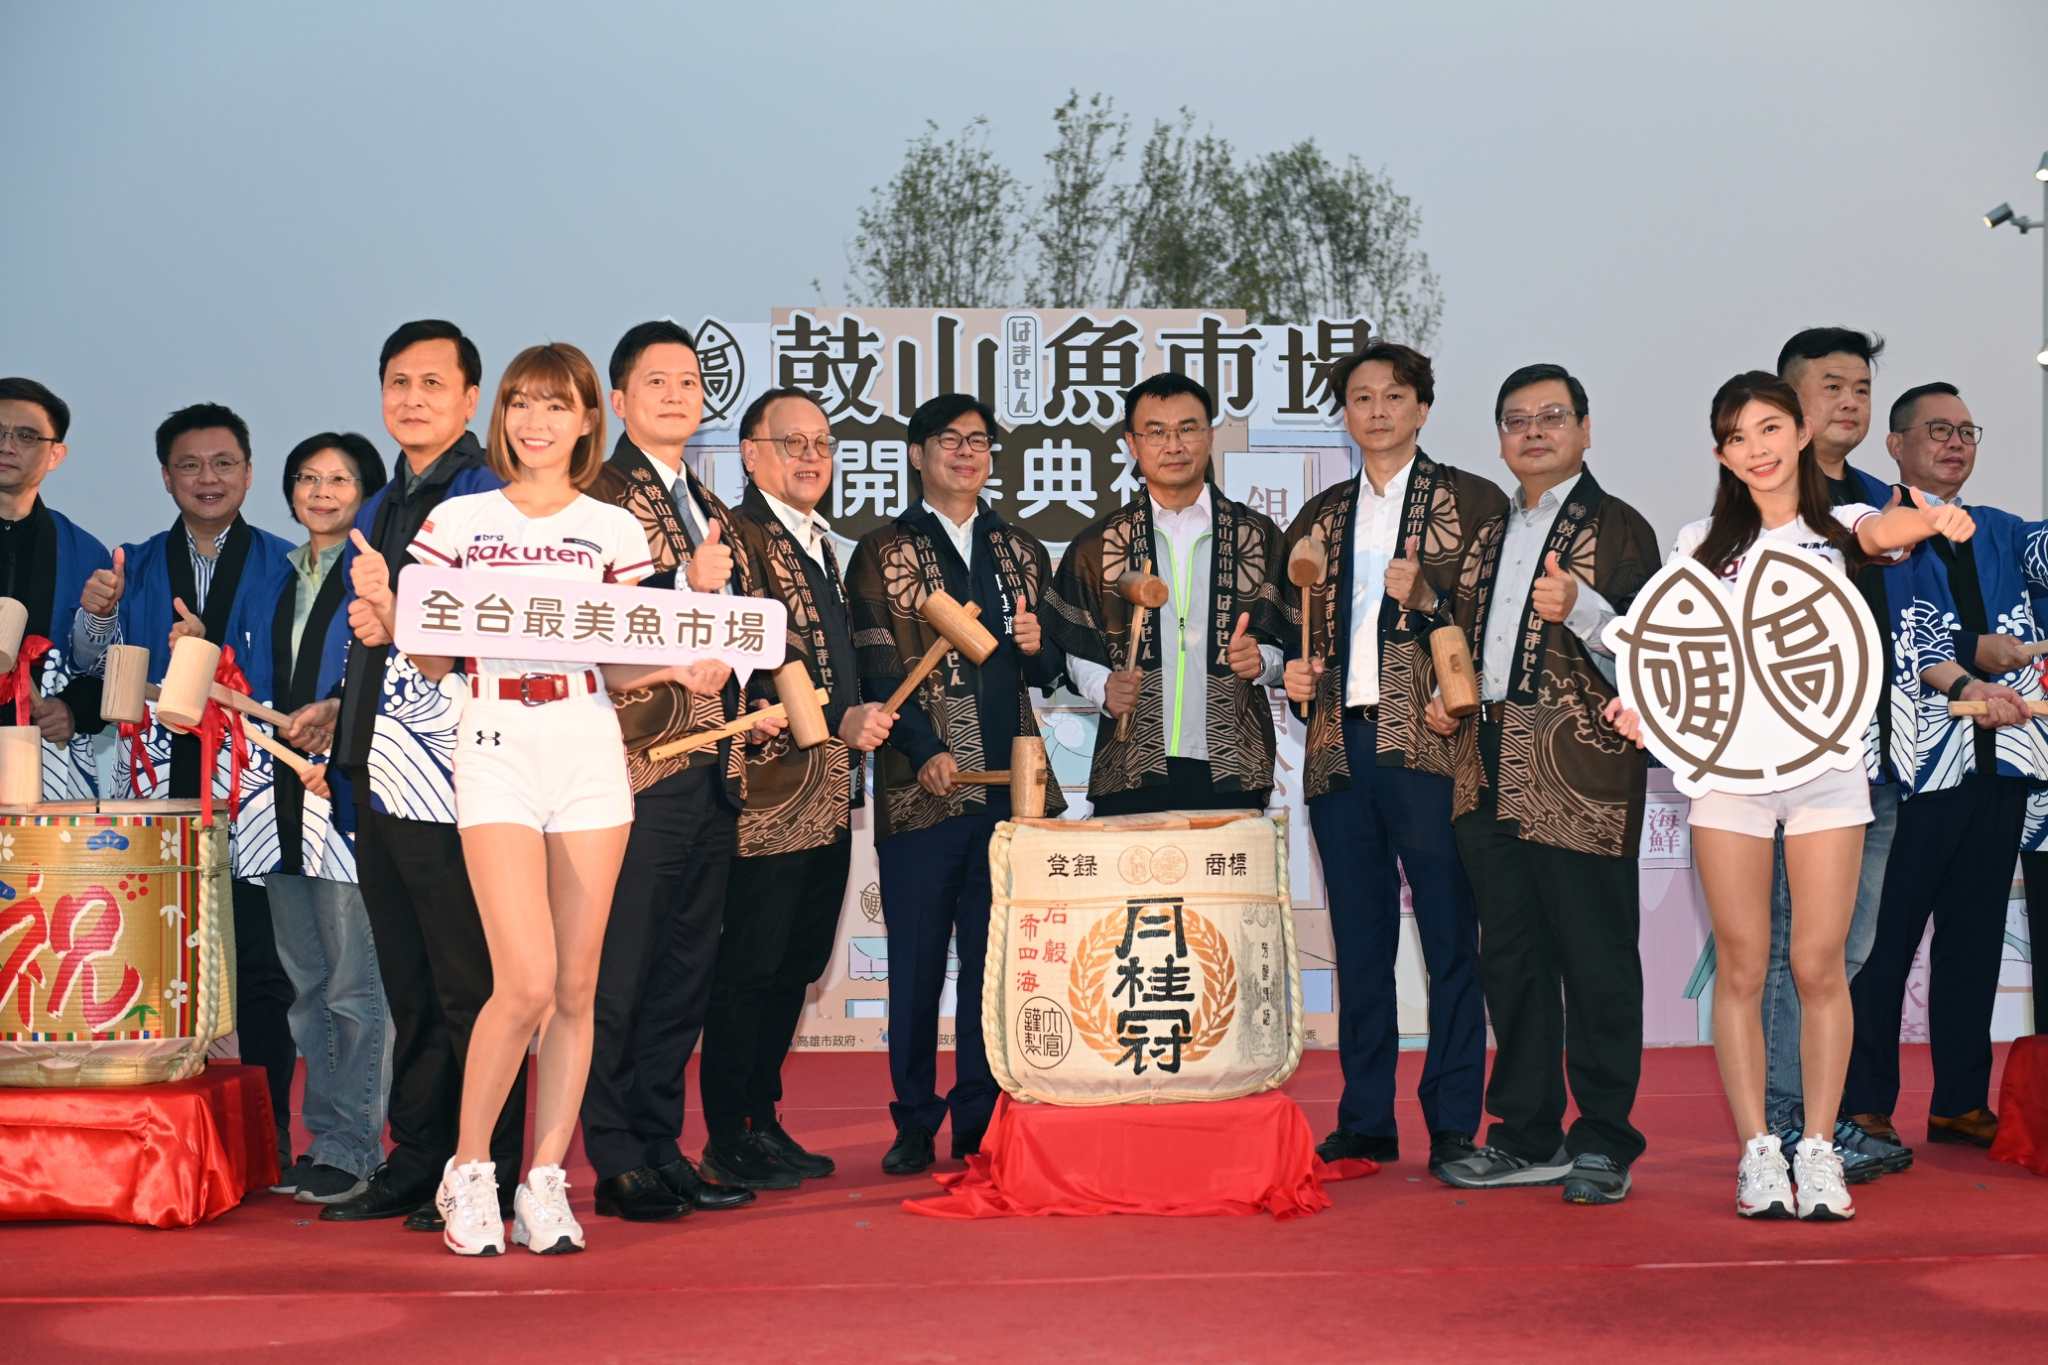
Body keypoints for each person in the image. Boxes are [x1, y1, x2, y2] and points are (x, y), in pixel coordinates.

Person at [1606, 370, 1973, 1220]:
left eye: (1770, 428)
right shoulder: (1699, 542)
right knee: (1742, 966)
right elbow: (1674, 648)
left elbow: (1886, 530)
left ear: (1801, 432)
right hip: (1728, 781)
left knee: (1817, 964)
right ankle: (1758, 1153)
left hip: (1826, 776)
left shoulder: (1840, 526)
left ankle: (1817, 1146)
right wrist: (1645, 711)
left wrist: (1932, 518)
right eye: (1738, 437)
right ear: (1722, 454)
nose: (1757, 449)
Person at [354, 341, 668, 1256]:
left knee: (575, 986)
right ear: (502, 414)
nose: (537, 421)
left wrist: (689, 650)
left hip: (586, 743)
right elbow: (432, 656)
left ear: (586, 420)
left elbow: (623, 663)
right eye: (523, 403)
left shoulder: (613, 528)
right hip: (493, 738)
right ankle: (468, 1170)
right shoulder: (461, 520)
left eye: (557, 405)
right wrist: (391, 608)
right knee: (523, 979)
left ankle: (544, 1179)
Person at [297, 320, 521, 1231]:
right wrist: (335, 720)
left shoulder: (487, 498)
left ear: (470, 399)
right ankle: (420, 1157)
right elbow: (367, 642)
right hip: (377, 777)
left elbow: (488, 634)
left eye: (434, 382)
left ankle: (485, 1166)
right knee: (411, 988)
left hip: (455, 777)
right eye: (398, 381)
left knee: (471, 987)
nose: (413, 398)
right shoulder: (384, 501)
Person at [1263, 342, 1506, 1176]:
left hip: (1433, 746)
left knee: (1449, 938)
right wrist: (1289, 674)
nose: (1376, 410)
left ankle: (1453, 1120)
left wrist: (1434, 609)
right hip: (1339, 746)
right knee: (1360, 941)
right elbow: (1282, 633)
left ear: (1423, 408)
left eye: (1394, 395)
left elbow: (1498, 623)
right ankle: (1366, 1117)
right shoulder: (1320, 516)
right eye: (1361, 397)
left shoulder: (1473, 504)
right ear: (1345, 414)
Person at [1428, 364, 1659, 1205]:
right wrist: (1445, 696)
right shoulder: (1486, 534)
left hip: (1581, 771)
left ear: (1585, 430)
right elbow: (1464, 639)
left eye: (1552, 416)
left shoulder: (1621, 527)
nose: (1533, 431)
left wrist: (1586, 606)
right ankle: (1526, 1134)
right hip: (1488, 764)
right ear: (1499, 439)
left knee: (1596, 958)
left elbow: (1656, 654)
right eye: (1516, 419)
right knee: (1512, 959)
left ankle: (1603, 1139)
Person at [72, 401, 298, 1171]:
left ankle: (269, 1135)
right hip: (154, 790)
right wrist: (96, 616)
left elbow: (291, 677)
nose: (208, 478)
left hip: (250, 791)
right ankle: (160, 1142)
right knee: (160, 961)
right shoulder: (131, 563)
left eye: (223, 462)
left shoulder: (285, 564)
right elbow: (94, 668)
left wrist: (215, 657)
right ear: (166, 477)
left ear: (249, 472)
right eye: (191, 465)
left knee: (263, 967)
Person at [579, 320, 770, 1221]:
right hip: (634, 766)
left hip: (715, 763)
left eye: (690, 381)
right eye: (656, 381)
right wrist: (682, 584)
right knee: (622, 971)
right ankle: (615, 1154)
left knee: (682, 975)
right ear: (618, 400)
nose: (677, 395)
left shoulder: (707, 501)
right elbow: (588, 617)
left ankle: (662, 1145)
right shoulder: (595, 498)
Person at [848, 393, 1067, 1174]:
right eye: (950, 440)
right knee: (914, 961)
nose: (966, 453)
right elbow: (877, 666)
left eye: (979, 441)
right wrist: (921, 747)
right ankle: (914, 1118)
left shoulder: (1021, 550)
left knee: (992, 961)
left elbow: (1046, 671)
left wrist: (1039, 646)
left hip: (1009, 787)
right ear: (917, 455)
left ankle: (979, 1117)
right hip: (922, 788)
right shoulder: (881, 551)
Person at [696, 387, 894, 1191]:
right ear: (751, 454)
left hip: (828, 793)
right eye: (792, 442)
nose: (812, 457)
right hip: (766, 797)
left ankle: (762, 1118)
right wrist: (833, 716)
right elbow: (744, 656)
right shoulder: (738, 538)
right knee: (750, 965)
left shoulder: (822, 545)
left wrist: (855, 718)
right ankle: (727, 1134)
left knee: (795, 964)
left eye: (822, 443)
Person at [1843, 383, 2041, 1151]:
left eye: (1966, 430)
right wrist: (1969, 654)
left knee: (1975, 940)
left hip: (2000, 769)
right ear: (1896, 444)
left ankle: (1960, 1098)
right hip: (1913, 772)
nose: (1955, 442)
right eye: (1937, 429)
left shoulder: (2002, 530)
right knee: (1884, 942)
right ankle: (1864, 1100)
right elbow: (1888, 631)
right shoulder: (1874, 531)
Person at [1764, 328, 1908, 1178]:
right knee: (1797, 946)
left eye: (1860, 387)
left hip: (1874, 759)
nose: (1850, 401)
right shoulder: (1768, 498)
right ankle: (1784, 1124)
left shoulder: (1881, 500)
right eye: (1831, 385)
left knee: (1845, 949)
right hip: (1792, 764)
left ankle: (1818, 1121)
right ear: (1789, 402)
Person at [1043, 372, 1284, 816]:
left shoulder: (1258, 536)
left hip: (1234, 766)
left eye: (1187, 428)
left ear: (1209, 435)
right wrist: (1103, 687)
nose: (1173, 445)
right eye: (1156, 432)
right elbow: (1074, 645)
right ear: (1132, 445)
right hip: (1130, 766)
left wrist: (1264, 662)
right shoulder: (1098, 544)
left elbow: (1296, 642)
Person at [259, 433, 394, 1205]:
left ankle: (357, 1145)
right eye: (307, 477)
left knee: (354, 986)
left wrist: (338, 732)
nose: (320, 491)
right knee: (308, 986)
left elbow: (390, 678)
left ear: (366, 492)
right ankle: (325, 1137)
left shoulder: (378, 573)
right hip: (280, 800)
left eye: (339, 479)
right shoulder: (279, 573)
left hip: (346, 799)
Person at [0, 377, 111, 800]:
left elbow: (105, 669)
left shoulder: (85, 554)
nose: (7, 446)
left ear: (55, 455)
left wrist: (73, 710)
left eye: (26, 436)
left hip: (45, 761)